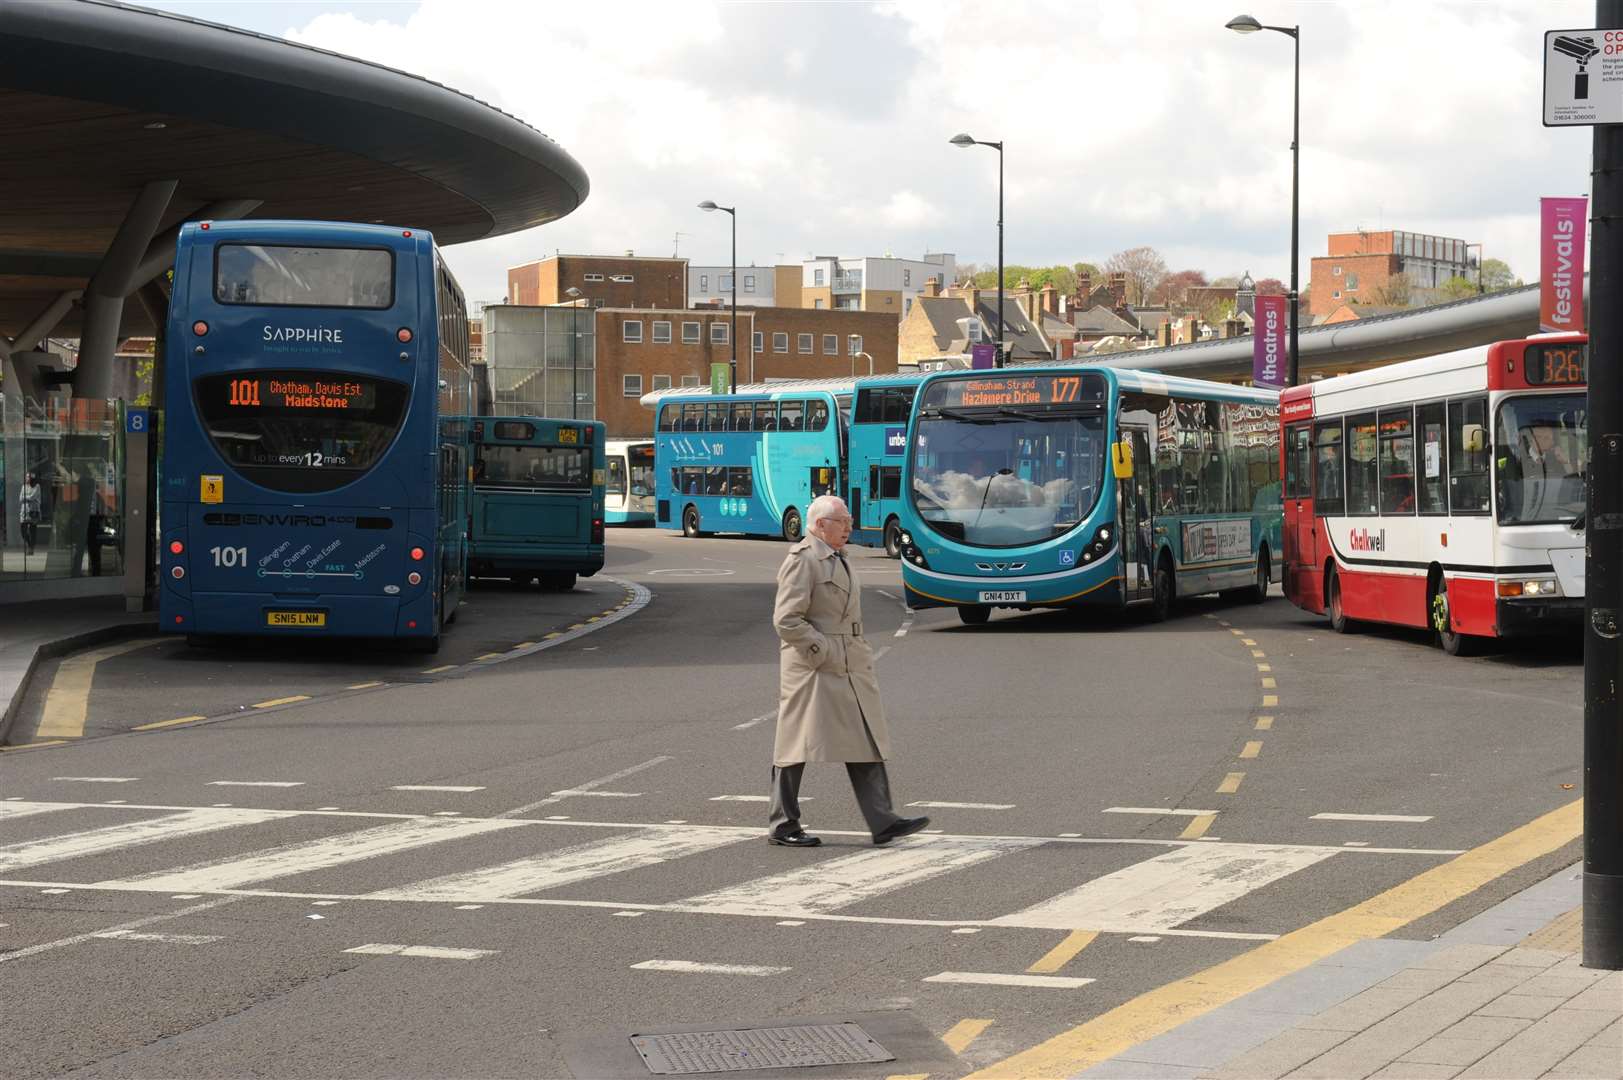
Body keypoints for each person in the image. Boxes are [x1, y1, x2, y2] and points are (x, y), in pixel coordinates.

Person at [767, 494, 928, 848]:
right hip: (815, 667)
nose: (850, 526)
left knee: (865, 738)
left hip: (849, 662)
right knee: (796, 745)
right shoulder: (804, 560)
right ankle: (783, 824)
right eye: (842, 520)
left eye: (849, 520)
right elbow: (786, 619)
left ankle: (883, 821)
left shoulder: (838, 556)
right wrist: (819, 650)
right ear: (820, 524)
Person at [18, 472, 42, 556]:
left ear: (31, 478)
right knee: (23, 531)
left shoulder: (37, 486)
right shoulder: (23, 486)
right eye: (26, 477)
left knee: (33, 530)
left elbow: (32, 496)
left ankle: (31, 548)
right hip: (24, 511)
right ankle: (29, 544)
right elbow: (20, 499)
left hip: (33, 511)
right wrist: (27, 497)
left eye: (28, 477)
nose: (27, 478)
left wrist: (25, 497)